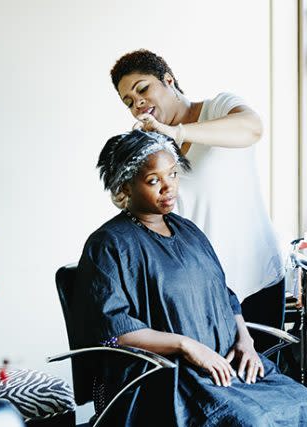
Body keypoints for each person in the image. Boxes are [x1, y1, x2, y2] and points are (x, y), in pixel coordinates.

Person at [72, 130, 307, 426]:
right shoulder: (109, 244)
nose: (168, 187)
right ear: (124, 188)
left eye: (172, 174)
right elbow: (114, 332)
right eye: (154, 180)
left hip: (228, 364)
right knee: (250, 421)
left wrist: (246, 341)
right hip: (166, 375)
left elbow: (225, 296)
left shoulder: (188, 231)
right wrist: (188, 346)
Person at [109, 50, 285, 352]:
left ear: (168, 80)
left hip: (256, 277)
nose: (137, 104)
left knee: (261, 385)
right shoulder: (155, 149)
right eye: (128, 101)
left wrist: (176, 131)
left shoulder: (219, 107)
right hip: (203, 291)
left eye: (142, 89)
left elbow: (253, 128)